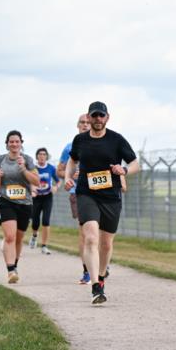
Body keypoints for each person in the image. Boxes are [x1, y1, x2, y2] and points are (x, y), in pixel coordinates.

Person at [64, 101, 139, 304]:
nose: (97, 119)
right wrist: (67, 178)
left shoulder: (116, 140)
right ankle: (96, 285)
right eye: (94, 116)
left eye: (101, 116)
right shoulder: (80, 140)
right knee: (90, 238)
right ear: (88, 118)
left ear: (107, 117)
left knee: (106, 243)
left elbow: (134, 163)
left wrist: (124, 170)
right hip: (86, 194)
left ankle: (102, 274)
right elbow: (72, 160)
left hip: (111, 196)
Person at [0, 130, 39, 283]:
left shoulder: (27, 159)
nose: (14, 144)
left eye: (17, 141)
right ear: (7, 144)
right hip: (6, 201)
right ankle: (10, 270)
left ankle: (15, 265)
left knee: (18, 238)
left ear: (21, 144)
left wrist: (24, 169)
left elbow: (36, 181)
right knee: (10, 237)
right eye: (11, 141)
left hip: (25, 203)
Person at [58, 113, 92, 283]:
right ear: (77, 125)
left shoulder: (99, 143)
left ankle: (99, 263)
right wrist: (70, 176)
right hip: (78, 194)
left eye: (88, 122)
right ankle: (87, 270)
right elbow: (60, 171)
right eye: (82, 122)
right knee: (85, 233)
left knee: (98, 233)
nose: (85, 125)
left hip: (98, 193)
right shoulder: (70, 147)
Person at [29, 147, 59, 254]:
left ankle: (44, 246)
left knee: (46, 221)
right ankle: (34, 236)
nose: (42, 156)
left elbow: (58, 181)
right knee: (35, 221)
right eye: (40, 154)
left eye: (44, 154)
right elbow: (28, 181)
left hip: (47, 196)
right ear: (37, 156)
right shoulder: (33, 168)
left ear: (46, 156)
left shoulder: (51, 168)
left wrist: (56, 187)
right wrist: (31, 189)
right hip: (36, 197)